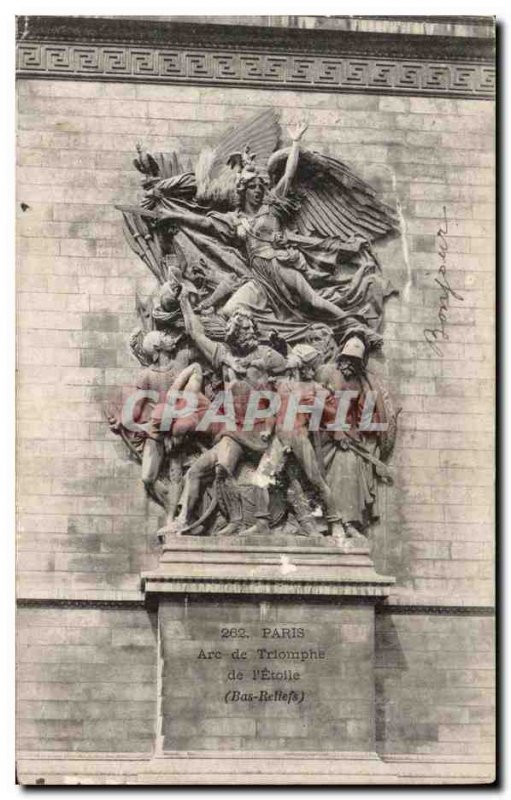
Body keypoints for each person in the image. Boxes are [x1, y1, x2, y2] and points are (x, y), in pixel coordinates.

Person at [176, 286, 288, 536]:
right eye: (241, 329)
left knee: (261, 474)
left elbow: (291, 378)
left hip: (262, 430)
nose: (246, 332)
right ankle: (227, 520)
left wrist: (275, 422)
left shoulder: (267, 355)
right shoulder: (223, 354)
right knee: (211, 470)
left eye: (249, 328)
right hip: (235, 430)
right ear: (233, 333)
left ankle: (261, 522)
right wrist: (183, 299)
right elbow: (195, 332)